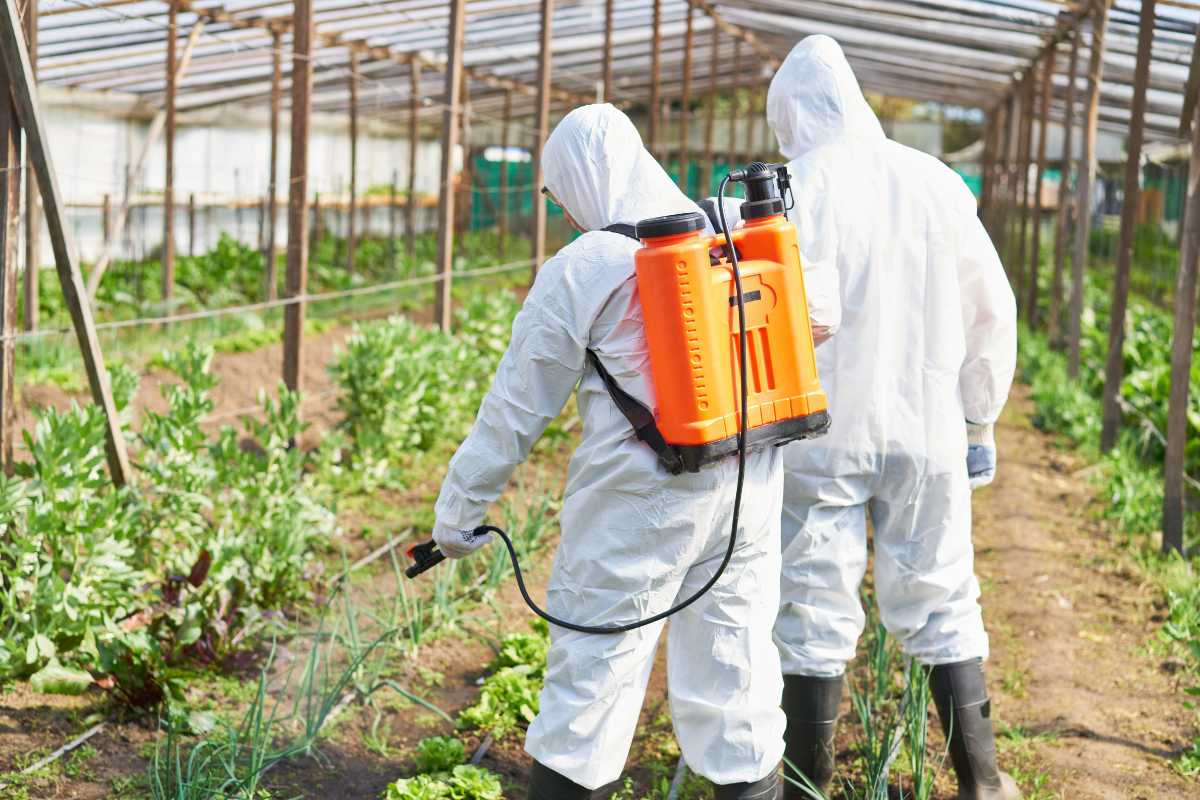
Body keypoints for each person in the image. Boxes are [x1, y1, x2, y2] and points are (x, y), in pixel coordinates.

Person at [431, 103, 788, 800]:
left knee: (589, 688)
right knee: (736, 674)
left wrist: (458, 512)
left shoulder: (586, 265)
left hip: (640, 506)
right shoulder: (735, 239)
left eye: (560, 193)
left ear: (583, 179)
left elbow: (514, 410)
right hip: (747, 487)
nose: (565, 211)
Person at [764, 36, 1019, 800]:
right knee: (944, 594)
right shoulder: (935, 182)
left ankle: (810, 784)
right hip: (927, 432)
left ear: (792, 116)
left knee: (809, 606)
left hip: (819, 437)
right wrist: (980, 419)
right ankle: (983, 781)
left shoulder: (788, 189)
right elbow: (991, 308)